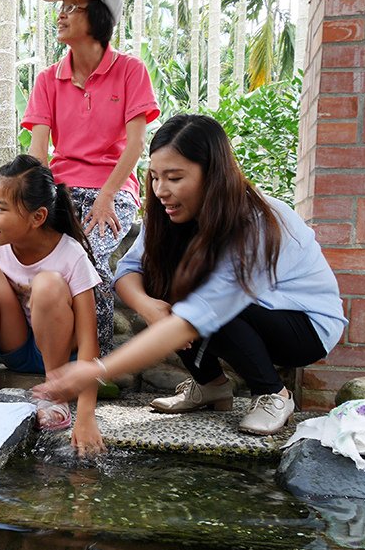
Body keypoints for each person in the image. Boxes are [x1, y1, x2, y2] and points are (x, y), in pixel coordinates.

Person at [34, 114, 347, 436]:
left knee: (204, 306)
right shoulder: (170, 216)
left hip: (304, 327)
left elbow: (200, 315)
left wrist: (95, 370)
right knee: (166, 277)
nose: (161, 190)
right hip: (238, 313)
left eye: (174, 177)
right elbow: (127, 271)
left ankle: (273, 394)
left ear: (213, 174)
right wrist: (148, 307)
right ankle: (211, 386)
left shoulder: (255, 222)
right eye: (155, 177)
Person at [22, 0, 160, 355]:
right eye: (60, 8)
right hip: (61, 190)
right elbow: (38, 154)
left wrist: (106, 197)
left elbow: (135, 145)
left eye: (71, 8)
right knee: (34, 257)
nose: (60, 16)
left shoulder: (131, 70)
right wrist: (37, 201)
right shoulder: (48, 79)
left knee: (89, 258)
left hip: (112, 190)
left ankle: (93, 364)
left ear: (97, 17)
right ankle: (43, 355)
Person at [0, 155, 105, 456]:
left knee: (48, 284)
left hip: (56, 354)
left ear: (37, 217)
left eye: (0, 208)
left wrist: (86, 414)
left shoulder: (70, 255)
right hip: (14, 348)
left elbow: (88, 342)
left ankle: (53, 392)